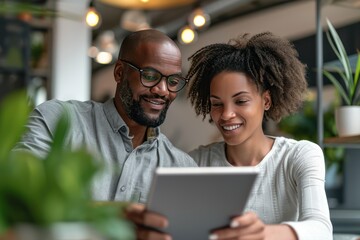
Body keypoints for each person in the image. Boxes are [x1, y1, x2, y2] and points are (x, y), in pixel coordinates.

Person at [127, 32, 333, 240]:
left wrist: (262, 234)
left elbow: (321, 229)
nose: (226, 115)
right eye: (217, 104)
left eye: (241, 101)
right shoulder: (195, 163)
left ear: (266, 101)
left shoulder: (299, 156)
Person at [14, 29, 197, 203]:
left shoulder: (182, 168)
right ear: (119, 72)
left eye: (173, 81)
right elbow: (16, 191)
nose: (163, 91)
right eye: (149, 76)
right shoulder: (57, 121)